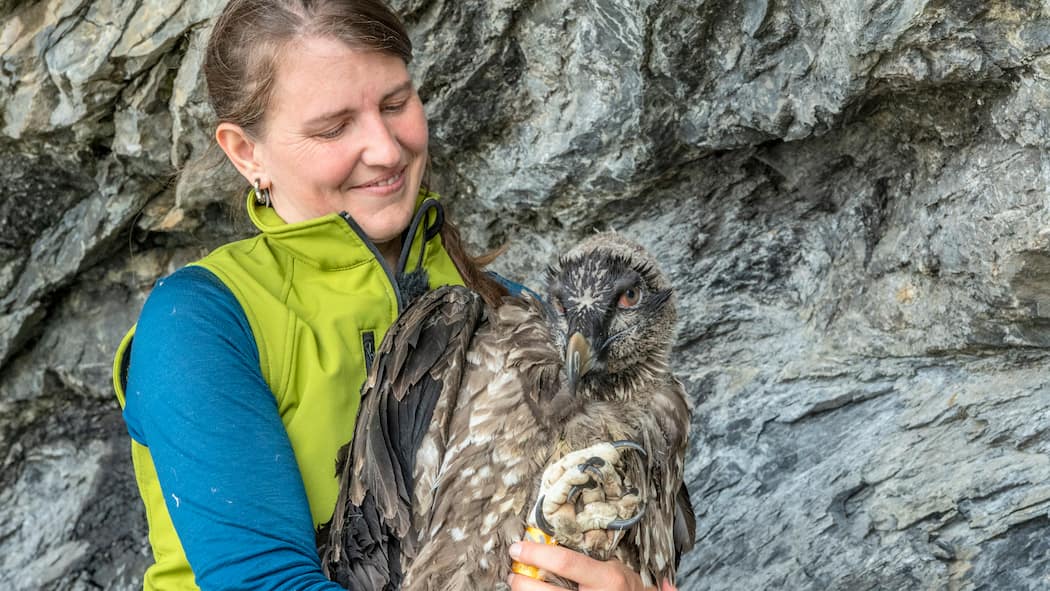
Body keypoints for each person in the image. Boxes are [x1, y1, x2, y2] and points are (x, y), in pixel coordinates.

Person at [112, 0, 677, 589]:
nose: (385, 149)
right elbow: (262, 581)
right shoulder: (201, 323)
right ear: (245, 151)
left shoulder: (517, 315)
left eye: (395, 103)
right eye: (333, 128)